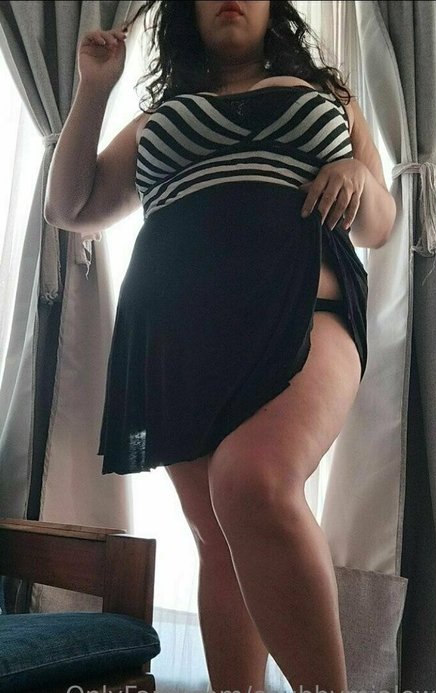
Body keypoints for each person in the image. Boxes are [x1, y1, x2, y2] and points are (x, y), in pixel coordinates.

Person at [44, 1, 397, 691]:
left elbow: (379, 223)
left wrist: (359, 179)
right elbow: (70, 207)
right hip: (179, 341)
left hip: (307, 315)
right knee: (219, 540)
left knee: (252, 481)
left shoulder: (329, 94)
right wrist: (94, 86)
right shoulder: (158, 117)